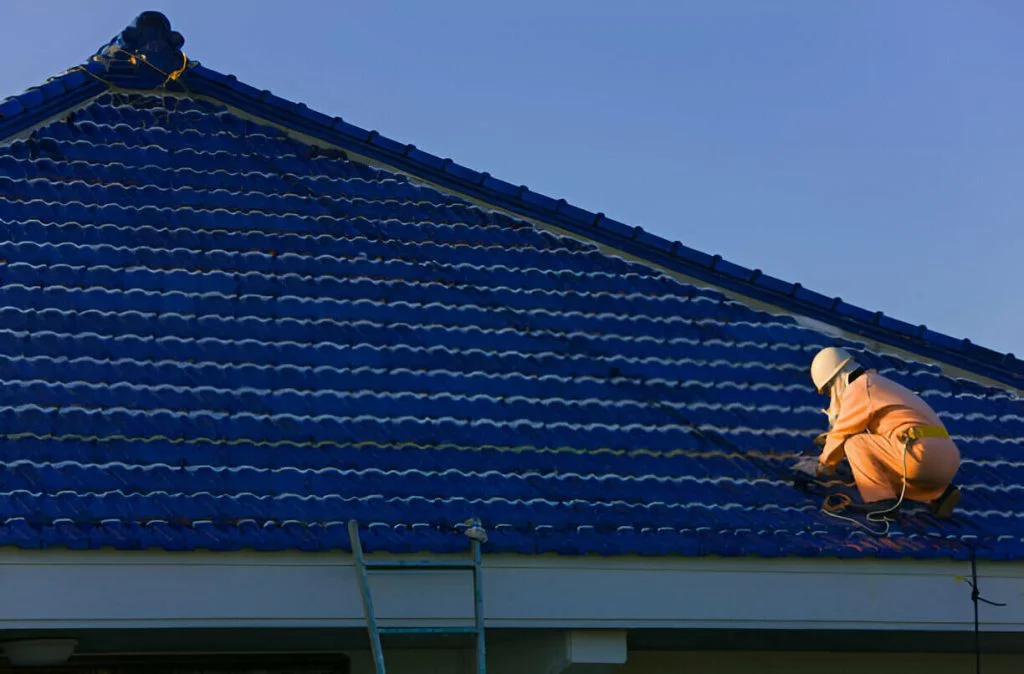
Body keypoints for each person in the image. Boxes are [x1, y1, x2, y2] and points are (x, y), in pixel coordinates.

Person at [792, 346, 962, 518]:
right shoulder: (879, 384)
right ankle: (940, 495)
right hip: (947, 458)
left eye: (829, 390)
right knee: (881, 468)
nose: (830, 396)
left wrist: (821, 467)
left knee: (854, 444)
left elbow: (842, 434)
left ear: (835, 380)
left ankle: (881, 501)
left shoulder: (860, 388)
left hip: (919, 454)